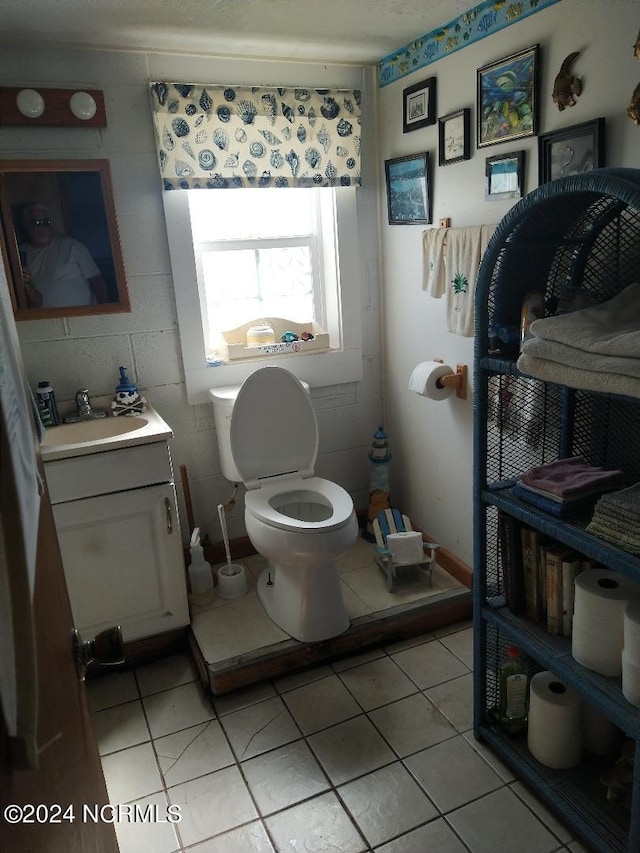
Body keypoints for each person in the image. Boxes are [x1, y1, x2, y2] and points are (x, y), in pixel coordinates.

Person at [18, 203, 109, 308]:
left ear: (51, 225)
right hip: (44, 321)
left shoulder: (71, 245)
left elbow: (97, 281)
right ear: (25, 226)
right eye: (34, 223)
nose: (41, 227)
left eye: (45, 222)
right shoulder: (20, 254)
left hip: (83, 317)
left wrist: (102, 310)